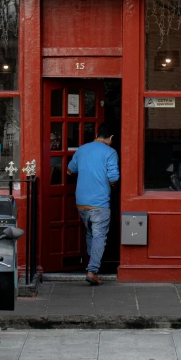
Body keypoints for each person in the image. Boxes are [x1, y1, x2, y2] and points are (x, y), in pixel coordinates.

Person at [67, 122, 120, 285]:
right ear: (111, 138)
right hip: (99, 202)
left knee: (90, 233)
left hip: (81, 202)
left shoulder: (82, 149)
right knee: (99, 236)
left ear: (96, 135)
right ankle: (93, 270)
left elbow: (70, 170)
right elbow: (114, 178)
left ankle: (91, 265)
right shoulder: (110, 152)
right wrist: (109, 184)